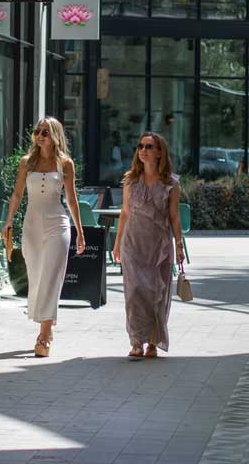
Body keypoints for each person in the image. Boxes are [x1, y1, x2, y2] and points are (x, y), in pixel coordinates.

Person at [3, 117, 88, 358]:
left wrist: (80, 231)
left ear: (55, 136)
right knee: (38, 277)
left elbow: (71, 200)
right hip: (31, 226)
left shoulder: (65, 164)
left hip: (57, 225)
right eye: (37, 131)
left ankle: (45, 335)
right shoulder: (26, 163)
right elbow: (17, 194)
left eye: (46, 132)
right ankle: (45, 325)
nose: (40, 135)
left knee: (51, 277)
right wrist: (8, 221)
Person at [113, 131, 184, 359]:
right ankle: (136, 341)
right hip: (132, 244)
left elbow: (174, 217)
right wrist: (116, 244)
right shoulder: (130, 181)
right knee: (133, 293)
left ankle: (153, 342)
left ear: (160, 152)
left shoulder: (171, 183)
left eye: (149, 147)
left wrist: (180, 245)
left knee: (156, 294)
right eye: (140, 146)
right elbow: (124, 214)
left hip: (159, 246)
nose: (143, 150)